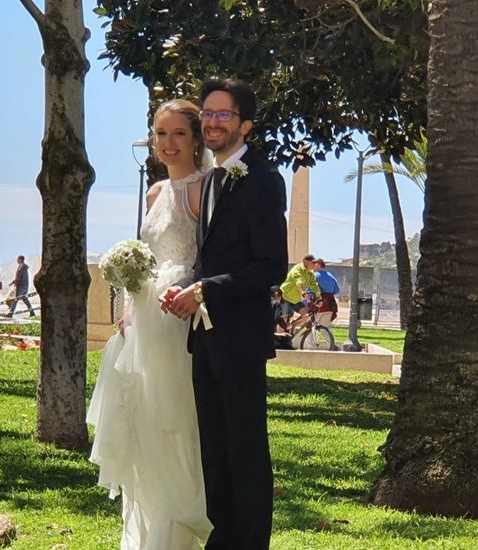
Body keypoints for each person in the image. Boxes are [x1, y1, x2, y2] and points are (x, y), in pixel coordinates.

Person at [161, 78, 287, 550]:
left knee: (245, 451)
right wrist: (181, 287)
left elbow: (270, 266)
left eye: (223, 115)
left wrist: (205, 290)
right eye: (208, 115)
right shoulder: (211, 179)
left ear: (245, 125)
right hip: (204, 337)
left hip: (240, 337)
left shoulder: (265, 180)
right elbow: (210, 258)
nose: (212, 123)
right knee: (213, 450)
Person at [87, 98, 211, 549]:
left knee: (175, 415)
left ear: (197, 139)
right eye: (161, 134)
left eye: (179, 134)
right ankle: (144, 531)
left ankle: (176, 526)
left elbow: (207, 257)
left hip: (177, 313)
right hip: (143, 315)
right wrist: (129, 302)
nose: (169, 143)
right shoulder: (156, 192)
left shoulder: (204, 189)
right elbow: (152, 254)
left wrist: (187, 289)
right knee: (143, 415)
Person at [279, 254, 321, 329]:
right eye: (313, 262)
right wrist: (302, 292)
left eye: (315, 263)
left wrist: (319, 298)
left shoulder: (310, 274)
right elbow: (298, 282)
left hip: (295, 300)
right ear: (305, 261)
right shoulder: (298, 269)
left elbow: (315, 286)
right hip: (284, 296)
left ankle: (293, 325)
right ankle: (278, 339)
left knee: (308, 314)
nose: (314, 264)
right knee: (283, 320)